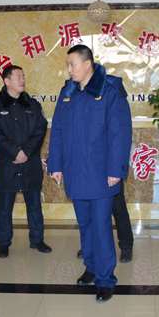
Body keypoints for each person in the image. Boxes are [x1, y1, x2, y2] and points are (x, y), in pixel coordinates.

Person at [48, 45, 132, 303]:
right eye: (68, 65)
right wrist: (55, 164)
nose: (69, 69)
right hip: (75, 171)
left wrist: (115, 170)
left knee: (101, 226)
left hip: (101, 173)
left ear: (87, 64)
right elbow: (58, 130)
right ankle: (92, 267)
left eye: (72, 64)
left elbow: (120, 133)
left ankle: (106, 279)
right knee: (85, 225)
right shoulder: (67, 93)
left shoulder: (109, 91)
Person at [0, 65, 51, 258]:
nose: (22, 80)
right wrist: (14, 152)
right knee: (5, 207)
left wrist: (26, 152)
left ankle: (37, 240)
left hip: (30, 163)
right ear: (6, 81)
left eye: (23, 76)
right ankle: (3, 243)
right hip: (7, 163)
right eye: (18, 77)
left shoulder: (32, 104)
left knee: (34, 204)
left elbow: (40, 129)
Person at [77, 184, 134, 263]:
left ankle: (126, 246)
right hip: (90, 179)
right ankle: (89, 246)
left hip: (111, 178)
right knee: (91, 209)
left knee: (118, 207)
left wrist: (117, 176)